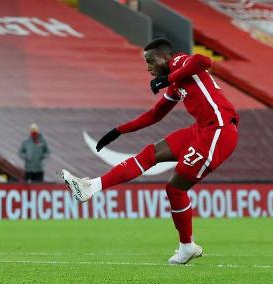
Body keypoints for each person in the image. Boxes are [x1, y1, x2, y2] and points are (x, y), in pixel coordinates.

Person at [61, 38, 239, 265]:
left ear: (165, 58)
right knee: (151, 154)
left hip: (219, 130)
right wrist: (118, 131)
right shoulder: (177, 83)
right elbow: (155, 115)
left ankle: (187, 246)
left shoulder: (180, 62)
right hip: (202, 129)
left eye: (151, 61)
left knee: (175, 189)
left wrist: (168, 78)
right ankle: (90, 187)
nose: (148, 68)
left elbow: (204, 60)